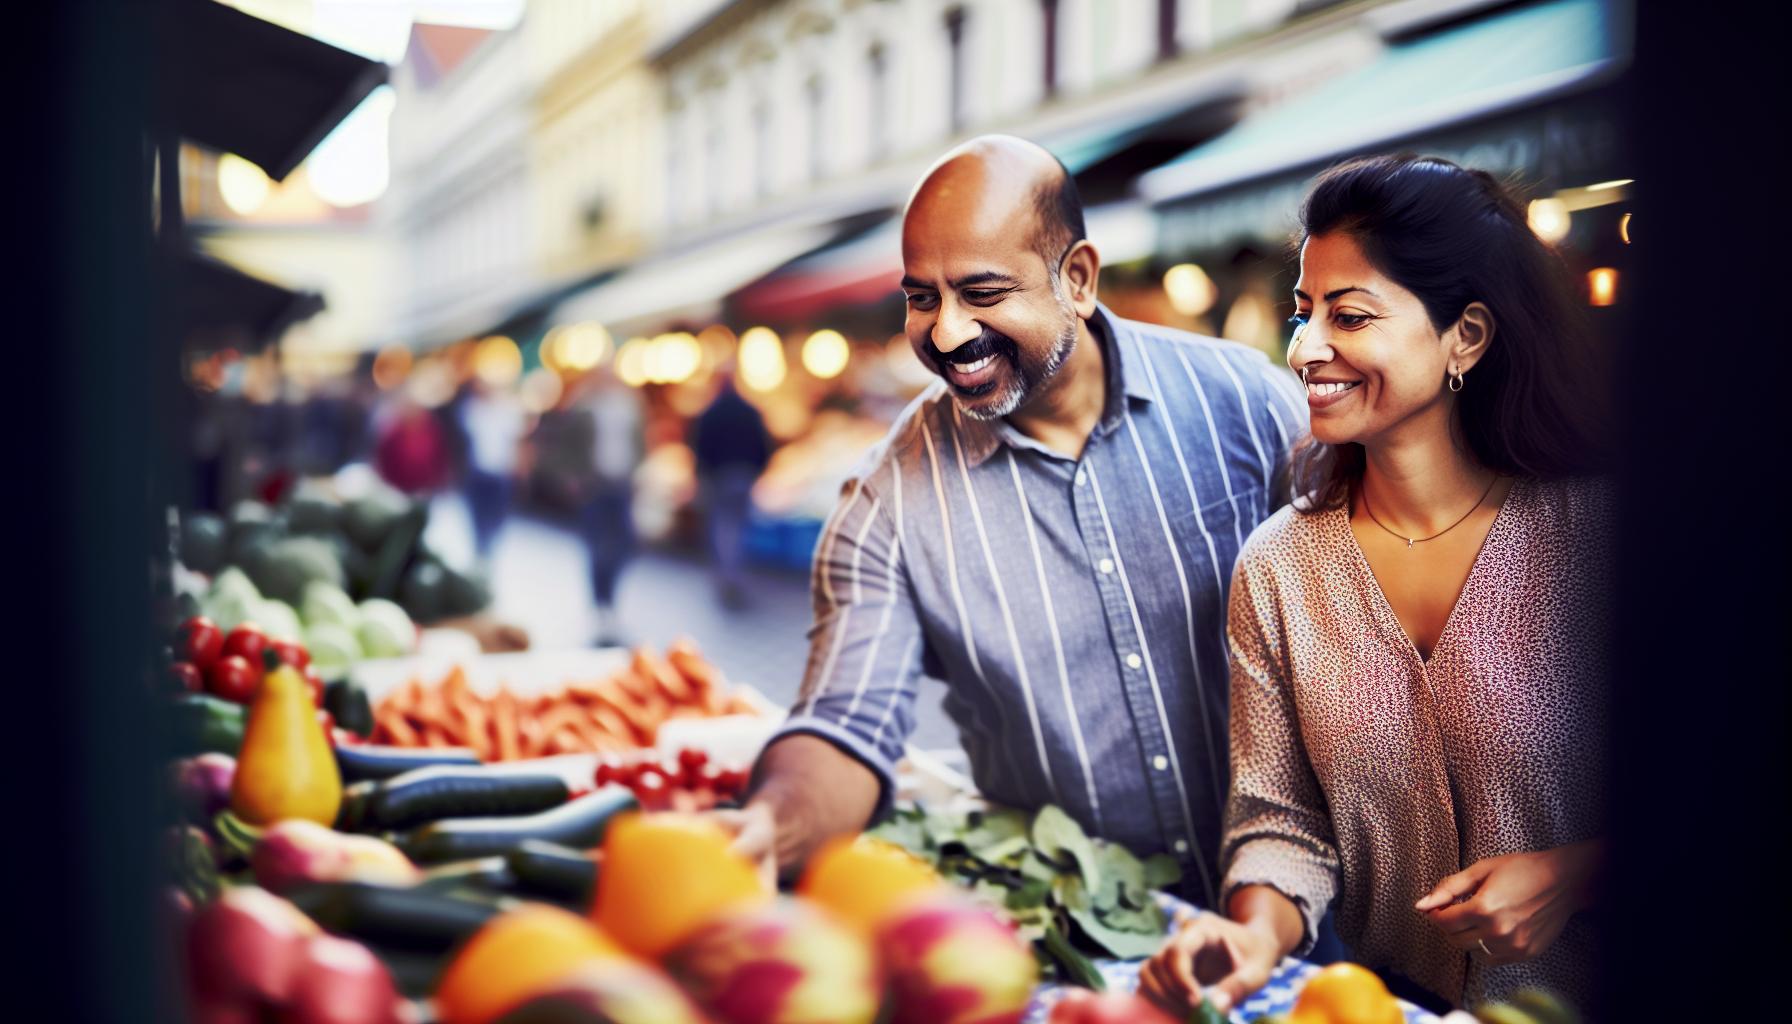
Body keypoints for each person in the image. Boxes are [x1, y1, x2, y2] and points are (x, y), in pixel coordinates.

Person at [716, 135, 1307, 909]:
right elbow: (846, 723)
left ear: (1079, 279)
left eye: (984, 293)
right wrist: (772, 823)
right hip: (1081, 940)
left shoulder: (1246, 403)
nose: (949, 332)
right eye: (922, 298)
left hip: (1304, 916)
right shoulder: (887, 501)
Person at [1140, 155, 1612, 1016]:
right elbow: (1280, 820)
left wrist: (1571, 874)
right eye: (1304, 311)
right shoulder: (1279, 566)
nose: (1305, 348)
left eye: (1350, 315)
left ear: (1465, 336)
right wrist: (1254, 933)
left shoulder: (1598, 535)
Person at [690, 369, 774, 608]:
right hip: (744, 474)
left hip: (720, 476)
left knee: (723, 528)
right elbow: (763, 444)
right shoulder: (749, 411)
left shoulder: (710, 413)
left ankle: (728, 575)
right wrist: (757, 469)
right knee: (738, 527)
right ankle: (734, 574)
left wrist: (703, 474)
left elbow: (700, 446)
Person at [577, 366, 644, 647]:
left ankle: (610, 600)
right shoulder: (585, 407)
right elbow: (567, 448)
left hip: (622, 484)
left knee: (625, 545)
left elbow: (639, 444)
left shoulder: (630, 405)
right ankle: (602, 606)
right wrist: (576, 479)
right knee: (597, 548)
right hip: (596, 486)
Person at [456, 379, 528, 567]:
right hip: (478, 472)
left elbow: (517, 440)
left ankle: (487, 548)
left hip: (500, 474)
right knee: (477, 515)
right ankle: (480, 549)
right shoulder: (474, 409)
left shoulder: (508, 411)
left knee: (496, 516)